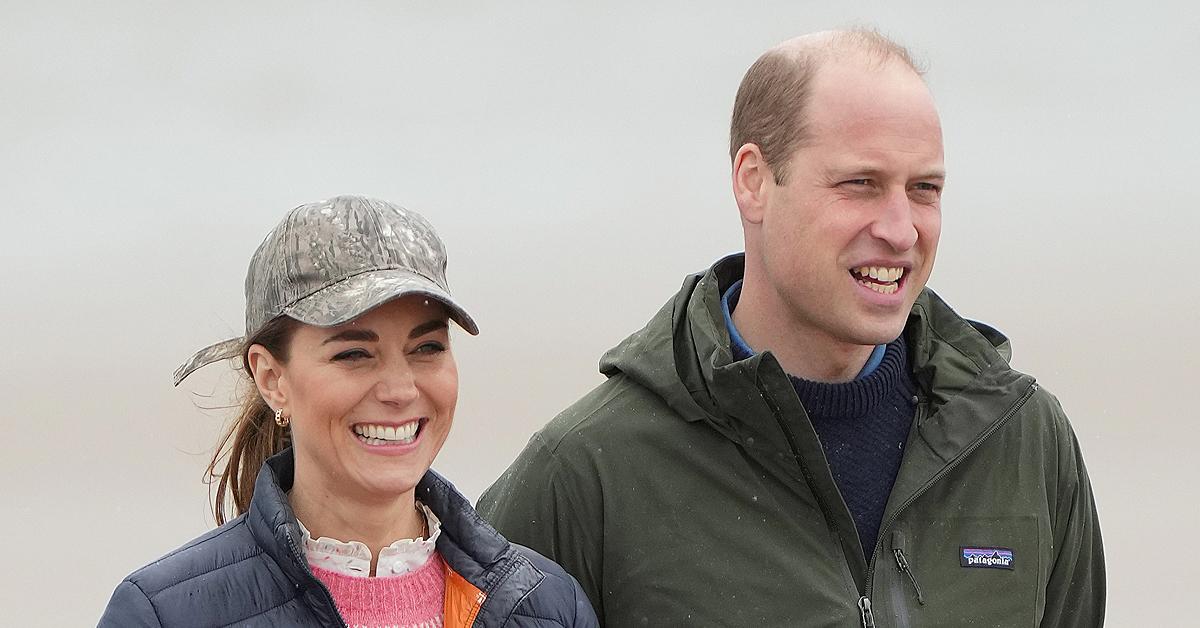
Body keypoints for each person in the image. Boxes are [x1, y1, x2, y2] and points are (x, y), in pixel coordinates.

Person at [477, 30, 1105, 627]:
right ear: (753, 182)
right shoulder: (586, 474)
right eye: (859, 183)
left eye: (923, 189)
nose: (900, 229)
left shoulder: (1023, 439)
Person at [100, 195, 598, 627]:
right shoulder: (165, 614)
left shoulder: (547, 607)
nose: (401, 389)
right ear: (272, 379)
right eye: (354, 354)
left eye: (426, 348)